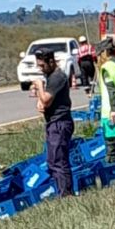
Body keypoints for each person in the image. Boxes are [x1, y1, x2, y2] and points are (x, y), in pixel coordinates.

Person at [32, 49, 75, 197]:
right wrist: (40, 99)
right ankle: (61, 191)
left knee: (59, 160)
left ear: (51, 62)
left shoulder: (57, 77)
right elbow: (44, 101)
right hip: (53, 123)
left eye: (42, 65)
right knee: (52, 161)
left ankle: (66, 194)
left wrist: (39, 86)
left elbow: (46, 99)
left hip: (60, 123)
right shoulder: (50, 76)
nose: (40, 69)